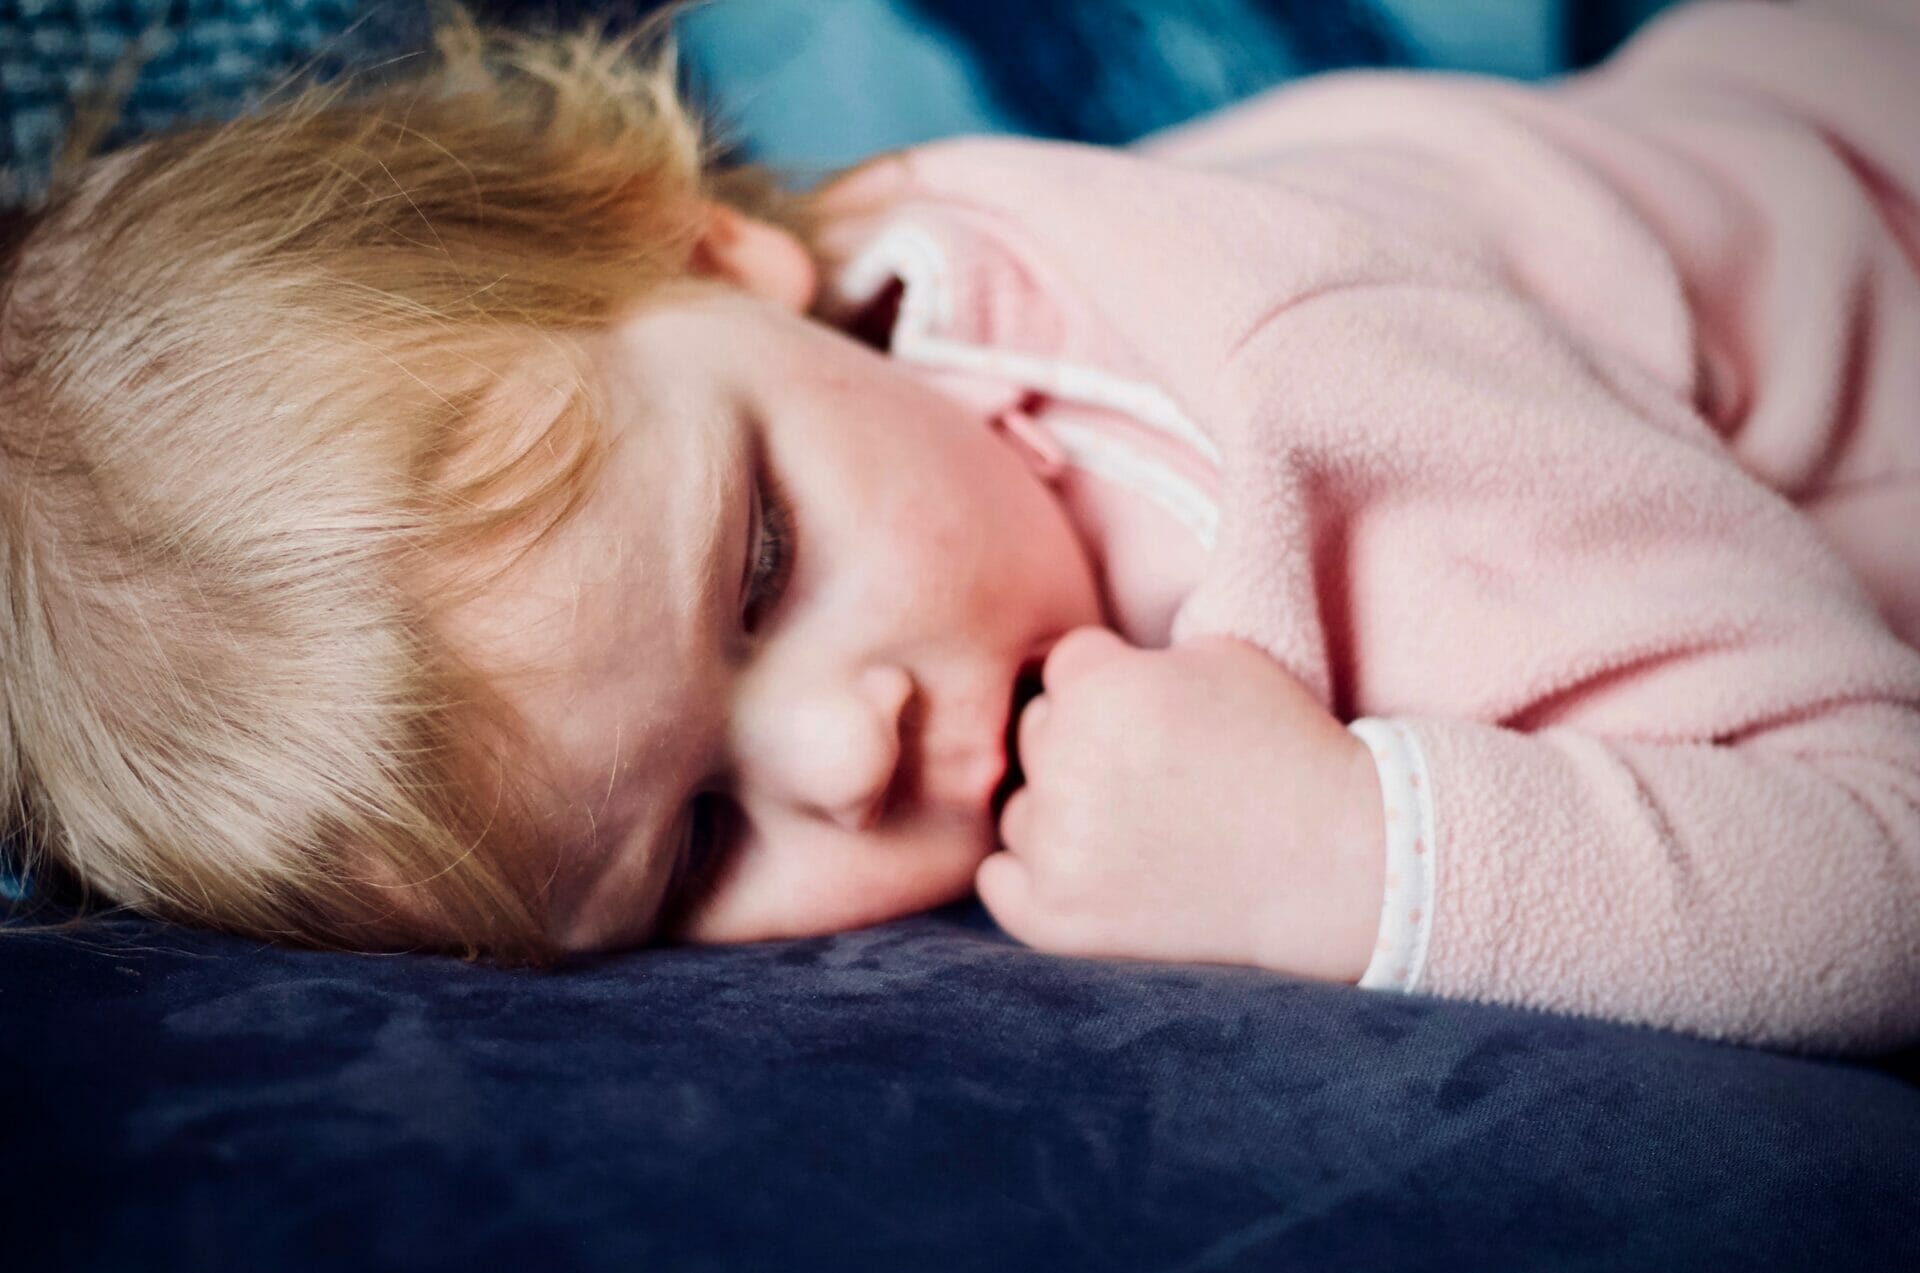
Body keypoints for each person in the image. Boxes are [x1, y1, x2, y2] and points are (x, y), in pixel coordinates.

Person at [2, 0, 1915, 1054]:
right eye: (693, 841)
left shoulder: (1296, 412)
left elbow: (1885, 869)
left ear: (718, 253)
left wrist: (1348, 856)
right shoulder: (803, 366)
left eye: (760, 567)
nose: (847, 747)